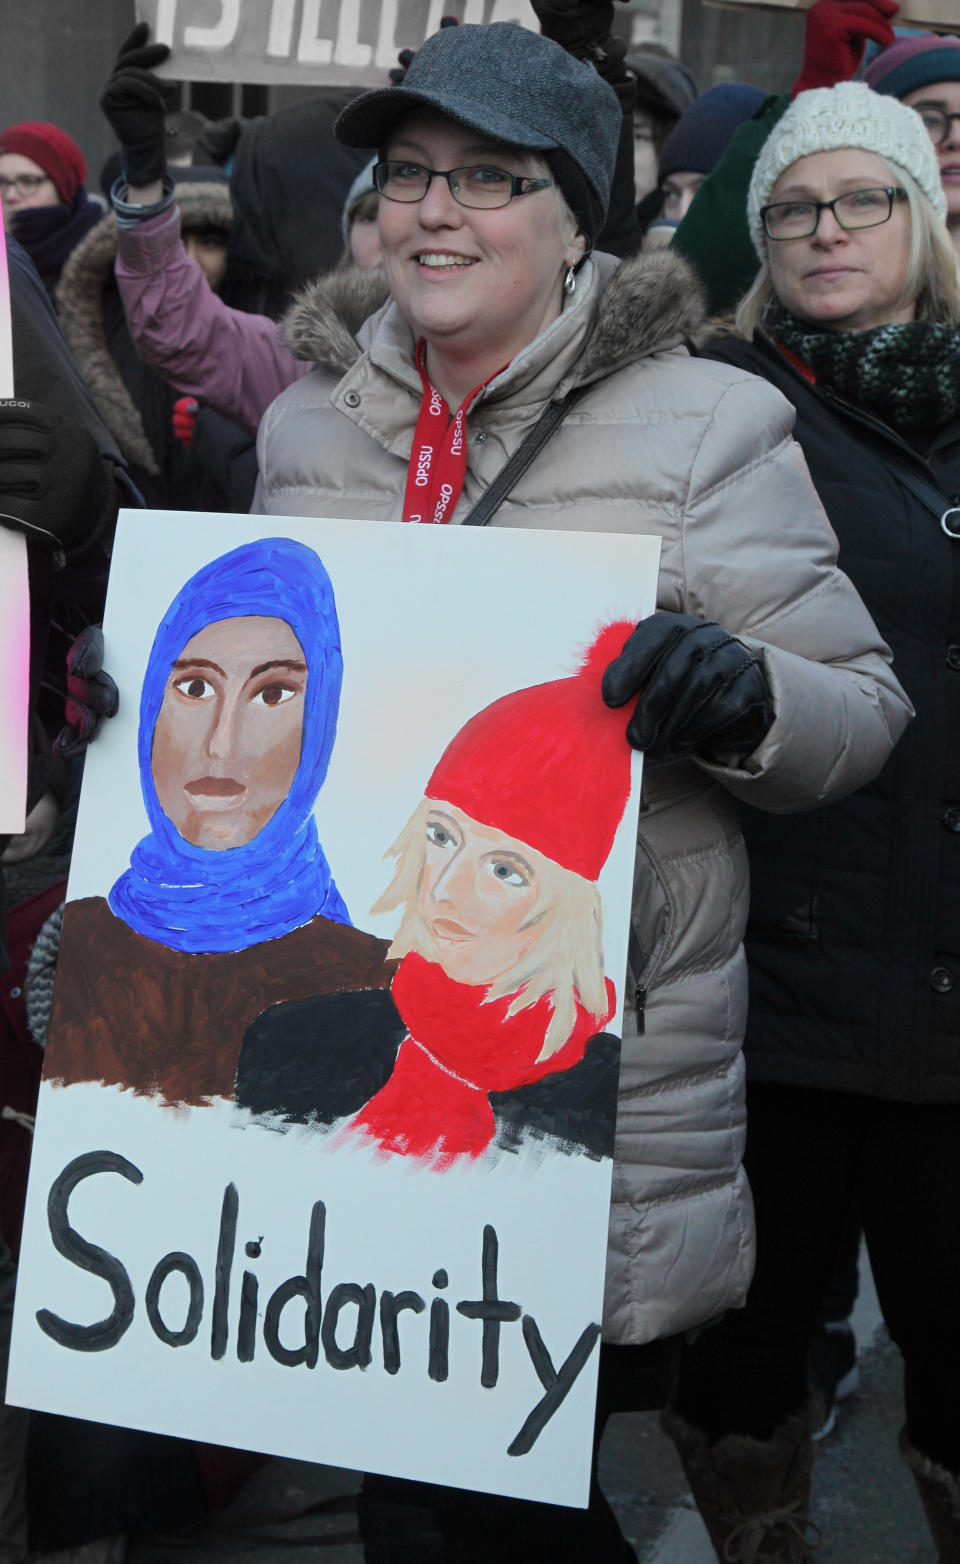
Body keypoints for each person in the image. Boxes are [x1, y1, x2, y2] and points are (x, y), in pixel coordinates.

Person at [250, 20, 911, 1557]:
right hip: (358, 1062)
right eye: (408, 173)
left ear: (571, 224)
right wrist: (149, 697)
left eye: (487, 177)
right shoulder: (304, 428)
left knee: (460, 1508)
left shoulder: (705, 422)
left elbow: (860, 713)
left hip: (585, 1100)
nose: (432, 212)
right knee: (431, 1500)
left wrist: (742, 698)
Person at [660, 82, 960, 1563]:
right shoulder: (710, 408)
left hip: (951, 980)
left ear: (926, 217)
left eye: (865, 198)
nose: (827, 228)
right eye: (794, 205)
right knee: (747, 1366)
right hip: (768, 981)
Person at [238, 623, 633, 1165]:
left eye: (504, 870)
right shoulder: (293, 1043)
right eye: (441, 837)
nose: (445, 889)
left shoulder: (608, 1101)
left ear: (568, 907)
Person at [44, 539, 396, 1108]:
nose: (221, 742)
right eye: (195, 687)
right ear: (149, 705)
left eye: (273, 692)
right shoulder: (76, 946)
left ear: (321, 722)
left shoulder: (377, 992)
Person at [0, 121, 103, 303]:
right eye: (1, 182)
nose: (10, 195)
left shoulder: (108, 264)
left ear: (63, 188)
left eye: (28, 181)